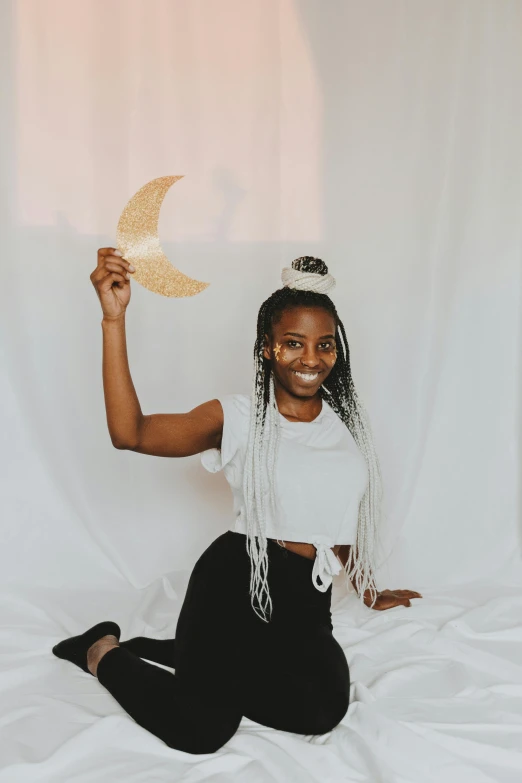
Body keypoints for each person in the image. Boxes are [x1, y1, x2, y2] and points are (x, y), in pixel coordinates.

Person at [52, 248, 422, 754]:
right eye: (293, 343)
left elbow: (338, 518)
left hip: (304, 606)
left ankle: (195, 661)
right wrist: (113, 319)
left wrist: (368, 587)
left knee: (321, 710)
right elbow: (130, 432)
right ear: (268, 348)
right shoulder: (238, 417)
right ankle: (101, 651)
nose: (311, 359)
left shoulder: (344, 426)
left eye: (324, 345)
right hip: (236, 586)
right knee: (202, 729)